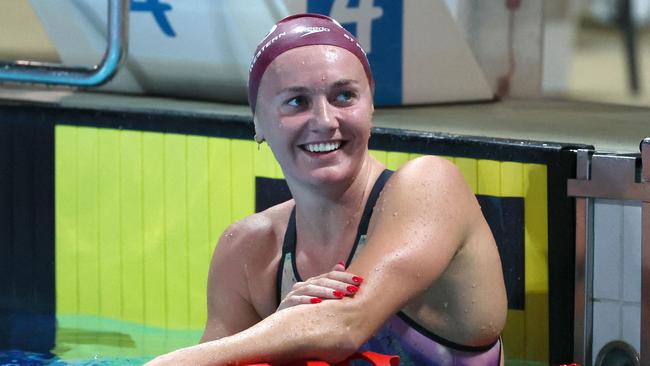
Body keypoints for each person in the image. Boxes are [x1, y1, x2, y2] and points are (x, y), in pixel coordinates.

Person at [146, 13, 507, 366]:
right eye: (297, 102)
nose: (324, 120)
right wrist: (280, 337)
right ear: (258, 121)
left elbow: (346, 323)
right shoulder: (247, 250)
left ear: (371, 108)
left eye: (344, 96)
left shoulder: (430, 187)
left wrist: (270, 333)